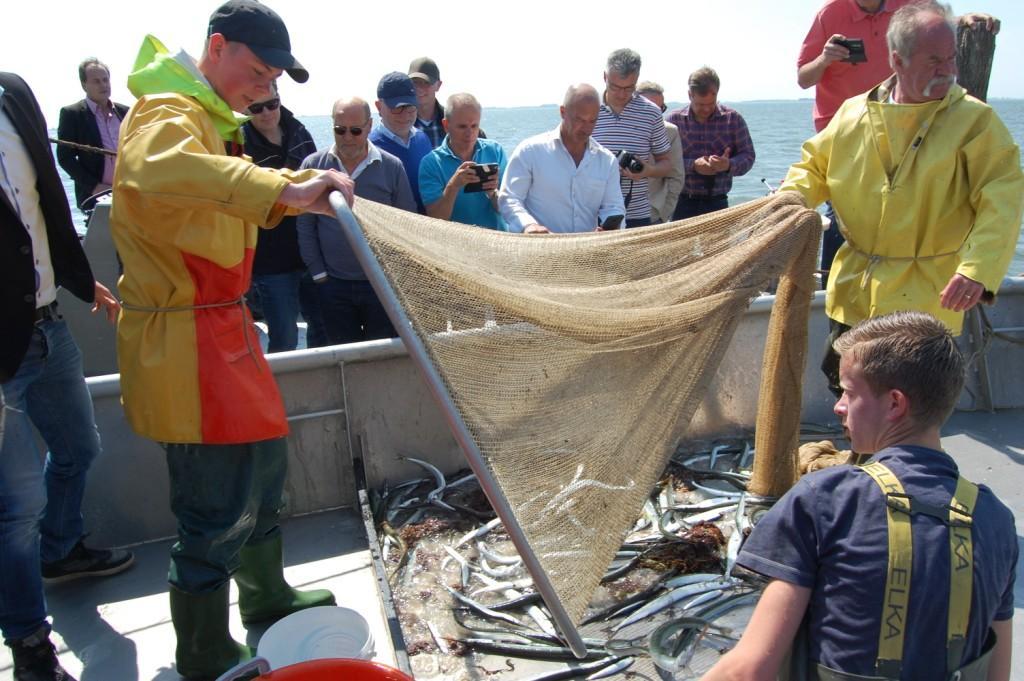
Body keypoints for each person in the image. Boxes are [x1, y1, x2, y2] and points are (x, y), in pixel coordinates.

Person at [108, 2, 356, 678]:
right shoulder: (166, 112)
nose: (266, 87)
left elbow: (212, 199)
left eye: (274, 76)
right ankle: (203, 649)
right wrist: (289, 187)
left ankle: (266, 593)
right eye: (257, 70)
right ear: (215, 47)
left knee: (265, 463)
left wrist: (283, 193)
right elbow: (159, 171)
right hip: (184, 340)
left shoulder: (210, 114)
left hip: (226, 325)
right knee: (212, 499)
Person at [701, 311, 1016, 681]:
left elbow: (750, 671)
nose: (838, 406)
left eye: (849, 392)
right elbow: (998, 672)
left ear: (895, 404)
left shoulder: (824, 499)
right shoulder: (996, 519)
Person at [781, 1, 1024, 398]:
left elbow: (1004, 196)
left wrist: (978, 269)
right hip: (856, 288)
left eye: (951, 59)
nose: (947, 70)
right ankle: (864, 457)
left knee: (908, 402)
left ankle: (900, 461)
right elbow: (812, 168)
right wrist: (789, 203)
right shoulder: (853, 113)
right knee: (848, 388)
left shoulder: (976, 122)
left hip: (927, 295)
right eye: (933, 61)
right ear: (897, 60)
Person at [1, 71, 132, 681]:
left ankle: (60, 550)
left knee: (80, 447)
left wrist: (82, 281)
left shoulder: (12, 94)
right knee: (15, 503)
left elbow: (44, 203)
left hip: (47, 323)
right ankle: (30, 640)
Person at [797, 0, 1000, 280]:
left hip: (904, 127)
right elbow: (804, 78)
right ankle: (838, 288)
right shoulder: (830, 14)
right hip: (845, 133)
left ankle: (905, 283)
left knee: (907, 209)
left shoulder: (907, 5)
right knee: (843, 215)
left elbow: (931, 25)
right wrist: (825, 58)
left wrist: (962, 21)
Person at [297, 97, 415, 345]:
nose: (347, 137)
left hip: (380, 286)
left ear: (370, 126)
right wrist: (319, 275)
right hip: (333, 284)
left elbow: (405, 227)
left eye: (355, 130)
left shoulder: (392, 167)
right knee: (343, 360)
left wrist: (394, 279)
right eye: (340, 130)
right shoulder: (313, 166)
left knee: (379, 358)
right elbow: (305, 225)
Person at [241, 84, 326, 351]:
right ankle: (282, 393)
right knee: (284, 338)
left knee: (322, 330)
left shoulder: (299, 131)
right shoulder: (240, 143)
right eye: (257, 108)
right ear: (245, 108)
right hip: (270, 260)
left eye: (272, 104)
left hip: (309, 253)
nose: (266, 113)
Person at [499, 84, 625, 234]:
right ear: (563, 112)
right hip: (538, 251)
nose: (586, 128)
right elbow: (509, 198)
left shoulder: (607, 161)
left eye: (593, 121)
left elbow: (614, 207)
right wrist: (528, 226)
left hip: (588, 254)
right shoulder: (530, 151)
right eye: (580, 120)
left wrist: (611, 228)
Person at [592, 49, 673, 228]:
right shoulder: (588, 107)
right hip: (590, 214)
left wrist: (648, 170)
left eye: (629, 88)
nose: (621, 94)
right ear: (605, 77)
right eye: (615, 86)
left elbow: (667, 164)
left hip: (636, 214)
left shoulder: (651, 112)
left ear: (637, 80)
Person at [667, 67, 755, 220]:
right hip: (681, 202)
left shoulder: (733, 119)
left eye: (711, 103)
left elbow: (748, 156)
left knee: (720, 246)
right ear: (690, 95)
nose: (706, 109)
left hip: (717, 203)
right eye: (700, 104)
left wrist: (728, 165)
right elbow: (662, 161)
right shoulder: (674, 121)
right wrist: (693, 165)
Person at [418, 93, 507, 230]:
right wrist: (453, 186)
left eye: (474, 126)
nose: (469, 133)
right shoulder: (431, 164)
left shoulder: (495, 151)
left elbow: (508, 211)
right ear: (446, 125)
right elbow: (436, 219)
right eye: (462, 127)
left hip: (495, 243)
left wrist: (492, 193)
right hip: (456, 246)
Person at [56, 59, 130, 211]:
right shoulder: (72, 114)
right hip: (96, 197)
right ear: (84, 85)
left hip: (129, 193)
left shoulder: (125, 112)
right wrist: (95, 187)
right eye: (96, 81)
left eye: (105, 80)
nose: (103, 85)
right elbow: (65, 158)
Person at [368, 72, 433, 213]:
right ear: (379, 107)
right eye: (397, 108)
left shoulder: (423, 140)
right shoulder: (368, 149)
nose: (405, 115)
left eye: (410, 106)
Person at [637, 81, 684, 224]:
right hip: (616, 214)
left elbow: (676, 177)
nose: (655, 114)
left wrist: (663, 214)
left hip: (653, 215)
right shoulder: (617, 127)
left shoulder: (670, 132)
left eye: (660, 109)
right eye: (650, 108)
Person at [408, 56, 445, 148]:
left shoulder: (453, 121)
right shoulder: (401, 123)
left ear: (438, 85)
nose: (419, 88)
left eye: (426, 82)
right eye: (415, 82)